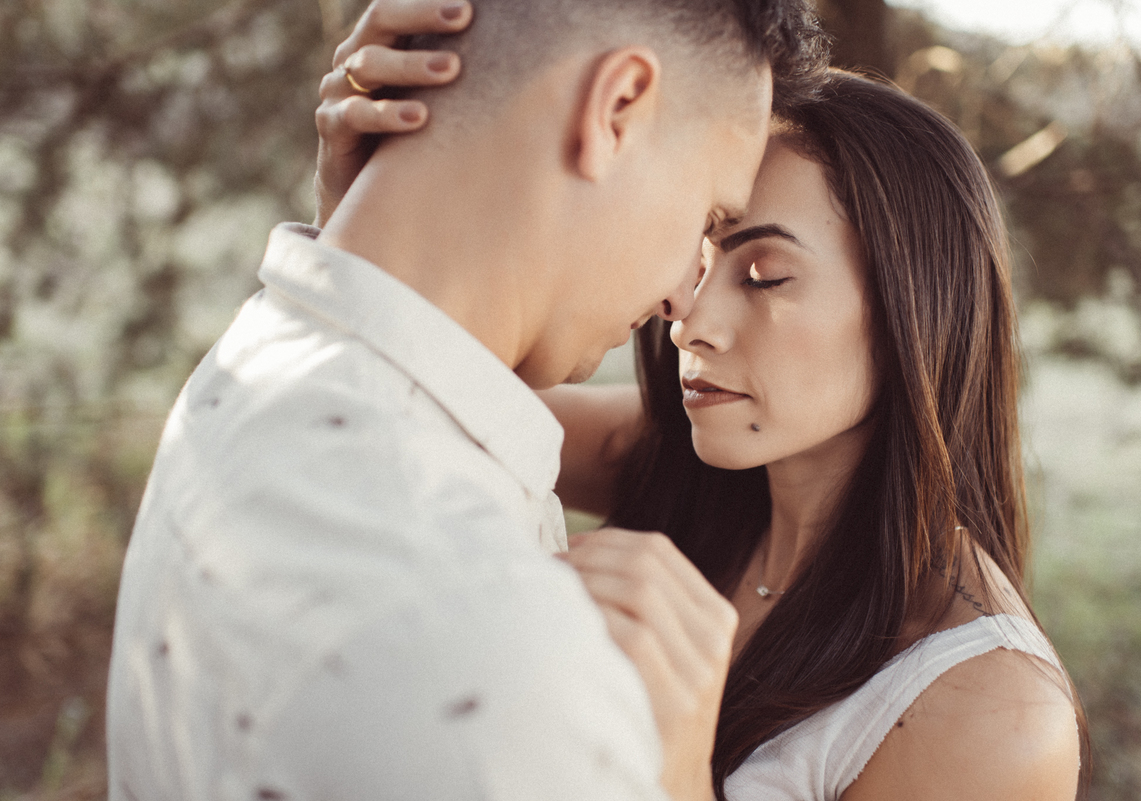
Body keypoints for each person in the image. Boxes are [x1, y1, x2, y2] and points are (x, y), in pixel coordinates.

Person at [318, 24, 1087, 798]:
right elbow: (414, 379)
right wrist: (373, 216)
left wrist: (678, 770)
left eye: (763, 275)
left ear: (914, 310)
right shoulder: (680, 468)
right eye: (698, 257)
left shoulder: (994, 713)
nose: (688, 321)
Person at [104, 1, 830, 800]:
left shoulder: (252, 366)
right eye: (708, 216)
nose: (680, 301)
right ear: (617, 107)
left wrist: (376, 216)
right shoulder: (510, 662)